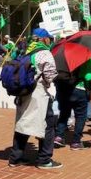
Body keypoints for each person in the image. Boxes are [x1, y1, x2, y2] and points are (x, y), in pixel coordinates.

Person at [8, 29, 62, 169]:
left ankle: (16, 157)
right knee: (48, 124)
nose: (50, 40)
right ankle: (44, 159)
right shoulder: (45, 53)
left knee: (23, 122)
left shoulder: (25, 50)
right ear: (44, 39)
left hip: (24, 92)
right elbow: (49, 76)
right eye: (48, 38)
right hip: (38, 94)